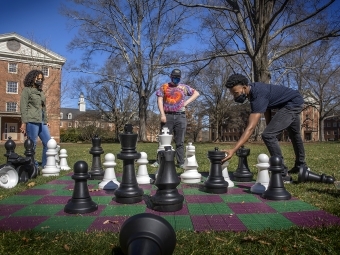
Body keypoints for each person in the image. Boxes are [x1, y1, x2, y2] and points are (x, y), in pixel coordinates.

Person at [222, 73, 310, 182]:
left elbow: (250, 128)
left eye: (236, 93)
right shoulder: (254, 92)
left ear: (244, 87)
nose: (235, 96)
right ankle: (301, 166)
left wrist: (233, 150)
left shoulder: (258, 95)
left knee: (268, 135)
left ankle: (282, 173)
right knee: (294, 134)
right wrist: (270, 126)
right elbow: (267, 108)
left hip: (292, 104)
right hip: (293, 100)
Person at [154, 69, 200, 168]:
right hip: (167, 116)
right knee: (164, 140)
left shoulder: (184, 87)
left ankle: (180, 162)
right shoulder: (164, 87)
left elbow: (196, 93)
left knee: (180, 141)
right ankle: (160, 160)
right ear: (171, 76)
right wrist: (162, 114)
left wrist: (186, 103)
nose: (176, 79)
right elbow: (160, 100)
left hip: (181, 116)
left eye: (178, 78)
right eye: (174, 77)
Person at [20, 69, 51, 168]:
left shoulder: (40, 91)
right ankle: (32, 165)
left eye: (41, 79)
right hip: (32, 120)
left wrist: (46, 120)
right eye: (38, 78)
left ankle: (46, 164)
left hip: (41, 120)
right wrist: (24, 122)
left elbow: (43, 107)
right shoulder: (27, 90)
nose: (40, 80)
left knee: (48, 143)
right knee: (32, 144)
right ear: (32, 78)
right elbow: (23, 107)